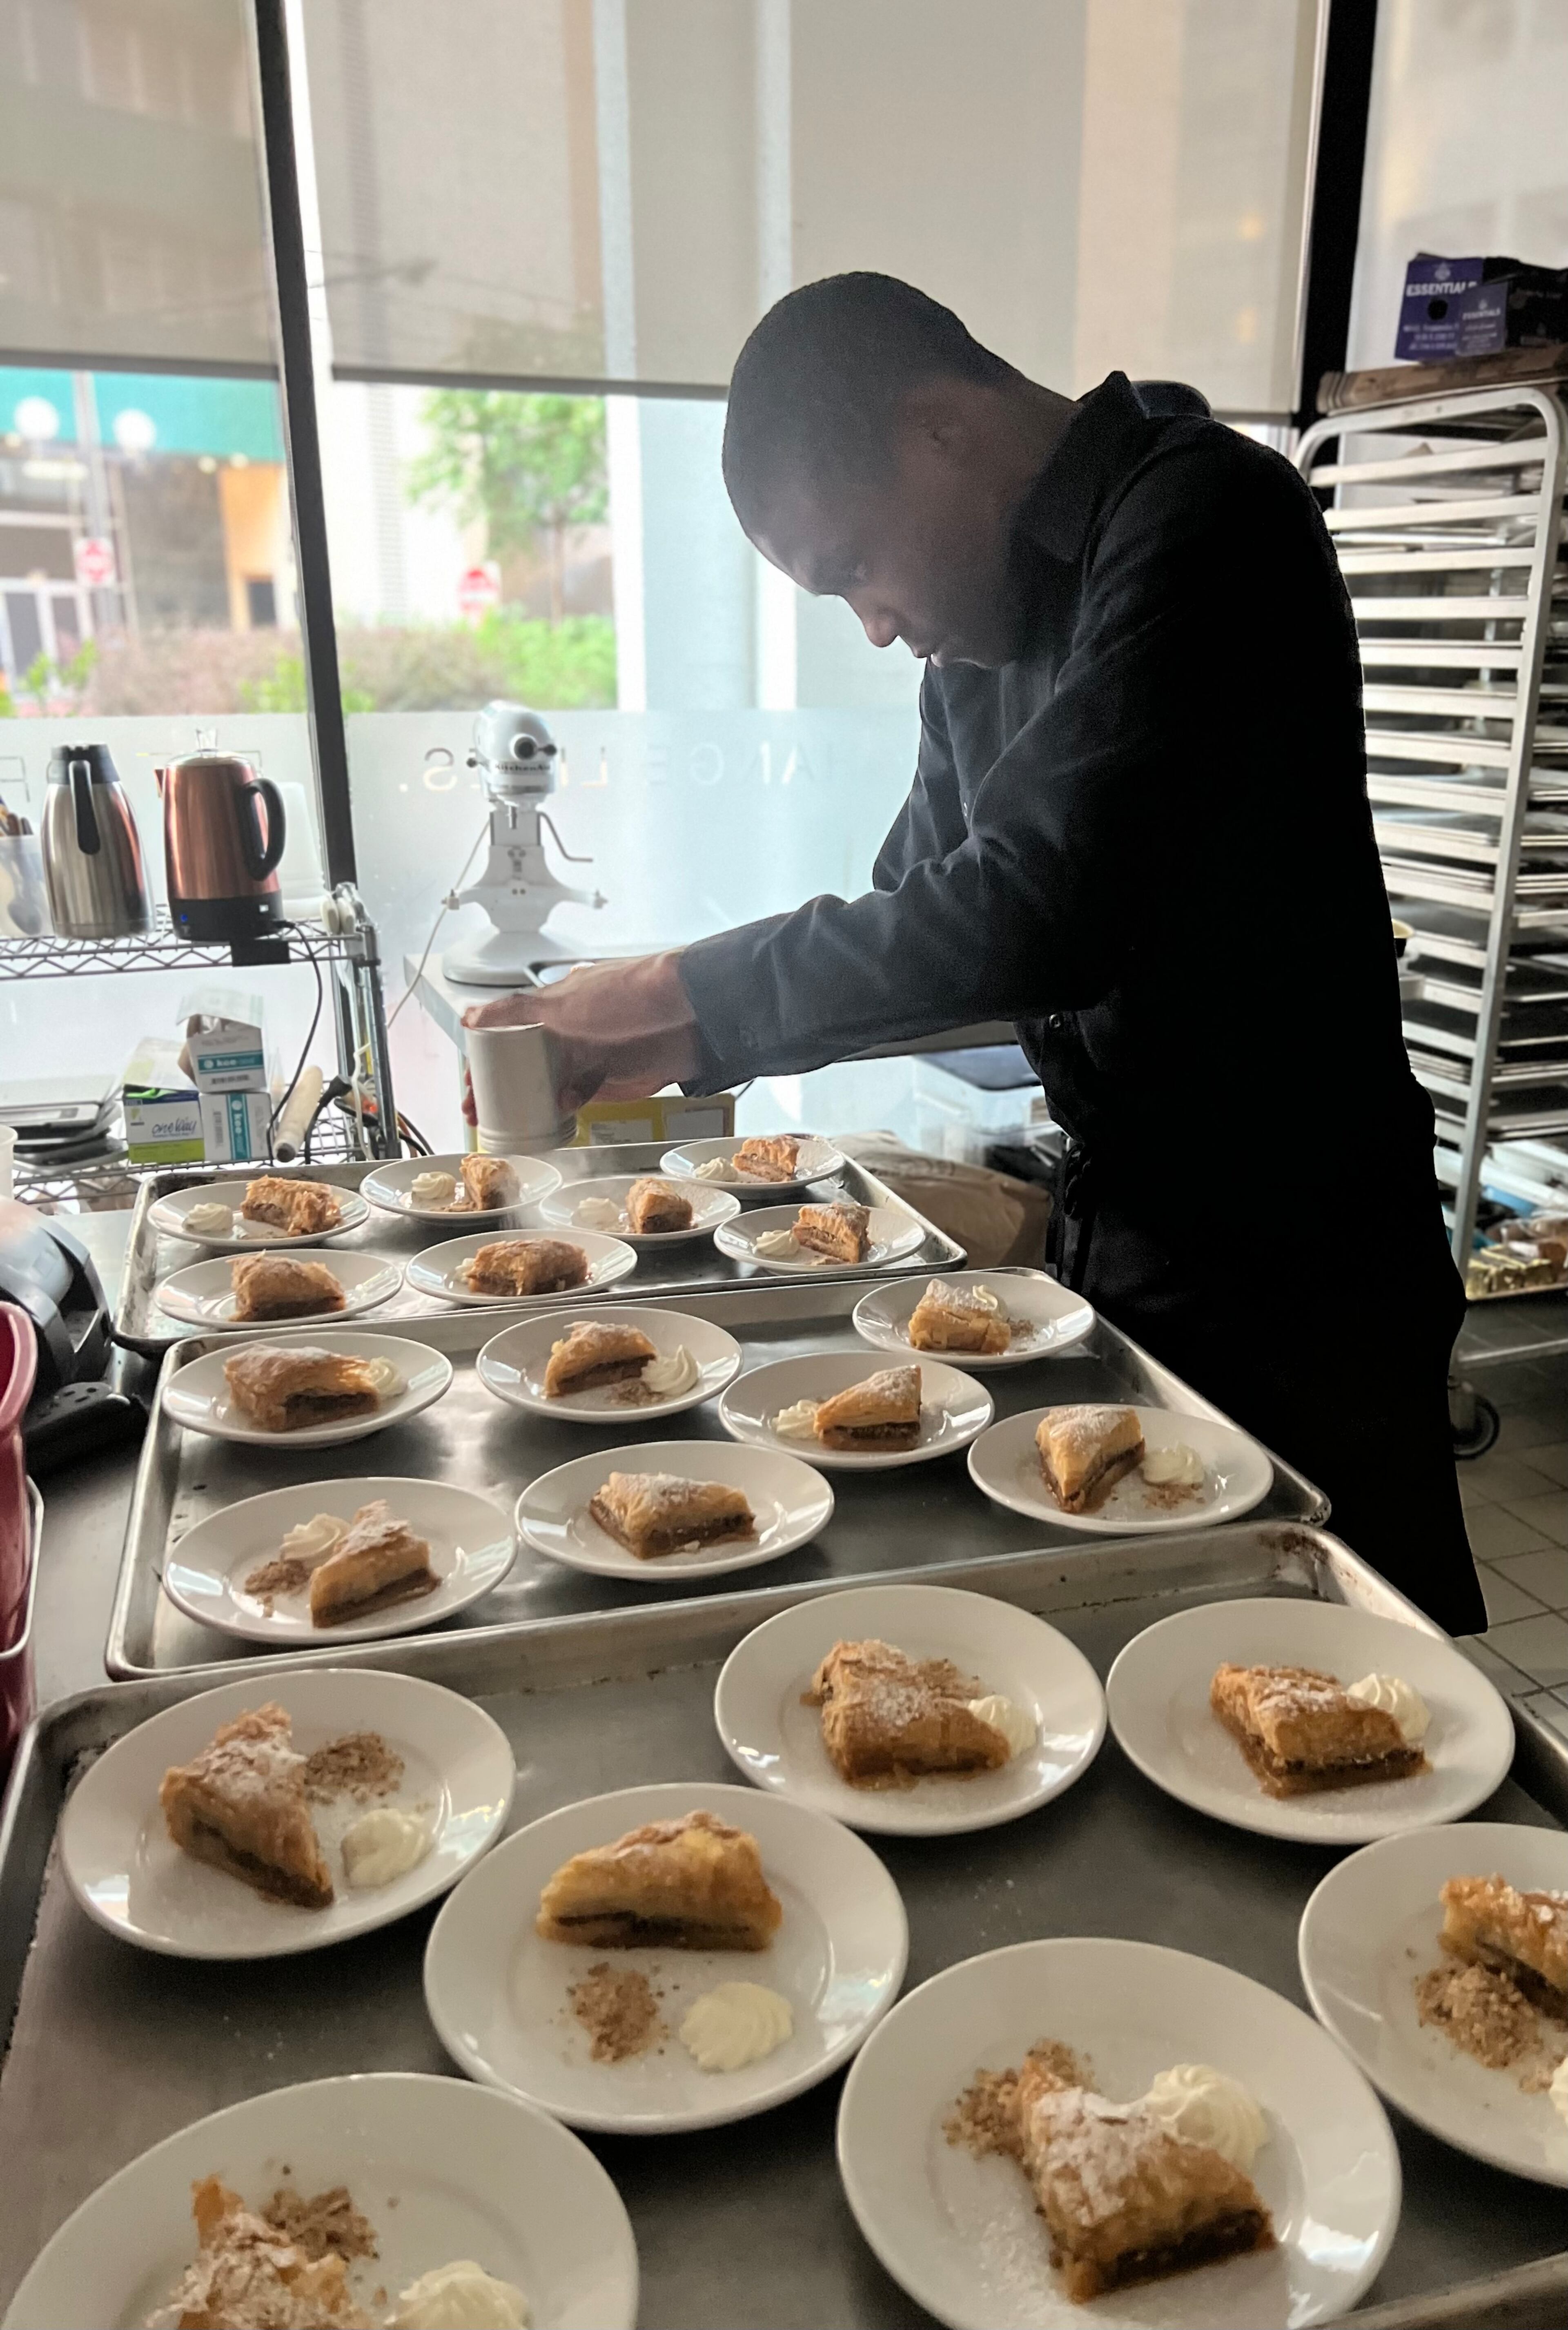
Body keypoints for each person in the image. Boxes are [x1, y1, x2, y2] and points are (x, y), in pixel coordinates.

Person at [466, 271, 1482, 1635]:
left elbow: (1033, 912)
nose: (874, 623)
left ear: (940, 430)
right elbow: (923, 910)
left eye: (857, 568)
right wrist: (675, 1023)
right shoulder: (977, 641)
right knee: (1161, 1659)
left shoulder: (1210, 516)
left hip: (1307, 1273)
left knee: (1368, 1676)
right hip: (1124, 1250)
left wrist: (673, 997)